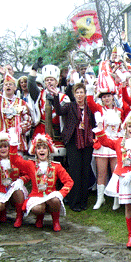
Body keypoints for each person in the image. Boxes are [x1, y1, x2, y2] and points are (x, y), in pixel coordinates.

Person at [94, 112, 131, 250]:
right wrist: (100, 128)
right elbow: (106, 142)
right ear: (125, 128)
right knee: (127, 206)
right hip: (123, 177)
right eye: (129, 127)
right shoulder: (120, 142)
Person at [9, 133, 74, 232]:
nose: (42, 150)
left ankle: (55, 221)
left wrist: (61, 193)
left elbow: (69, 181)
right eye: (39, 148)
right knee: (38, 208)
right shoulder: (31, 165)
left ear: (49, 151)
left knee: (56, 199)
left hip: (50, 197)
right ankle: (39, 218)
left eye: (44, 148)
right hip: (36, 196)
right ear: (35, 151)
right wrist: (13, 145)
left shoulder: (56, 166)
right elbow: (15, 160)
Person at [52, 82, 95, 212]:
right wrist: (55, 96)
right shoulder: (70, 106)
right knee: (75, 171)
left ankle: (83, 201)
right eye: (77, 92)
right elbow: (59, 111)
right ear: (74, 94)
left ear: (85, 94)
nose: (80, 95)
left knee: (85, 171)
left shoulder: (89, 107)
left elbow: (94, 122)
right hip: (73, 141)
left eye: (82, 92)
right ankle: (73, 201)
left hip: (87, 141)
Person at [86, 74, 125, 210]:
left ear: (112, 97)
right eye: (103, 97)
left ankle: (116, 198)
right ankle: (100, 198)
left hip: (116, 144)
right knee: (101, 172)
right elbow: (90, 102)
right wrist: (90, 88)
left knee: (117, 171)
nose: (106, 99)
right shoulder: (99, 109)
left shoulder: (120, 111)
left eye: (108, 96)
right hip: (102, 144)